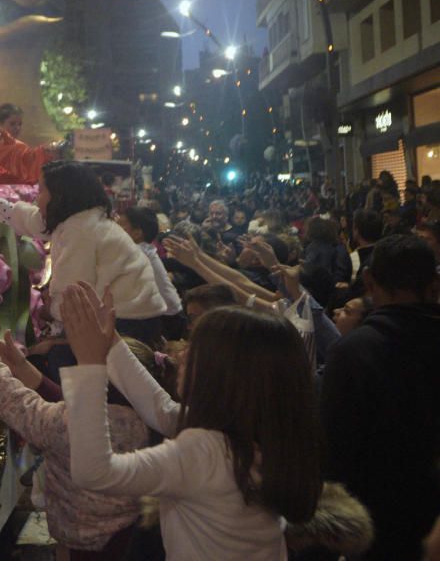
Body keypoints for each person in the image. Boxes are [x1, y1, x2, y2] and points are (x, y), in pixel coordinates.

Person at [62, 282, 321, 560]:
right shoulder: (256, 431)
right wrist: (110, 342)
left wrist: (90, 365)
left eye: (195, 348)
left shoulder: (207, 451)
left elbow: (95, 472)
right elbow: (163, 411)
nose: (181, 353)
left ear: (225, 374)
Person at [0, 302, 150, 560]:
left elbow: (10, 398)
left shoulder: (69, 425)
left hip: (81, 544)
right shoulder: (146, 421)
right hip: (128, 538)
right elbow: (61, 401)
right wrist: (21, 366)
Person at [321, 234, 440, 560]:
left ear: (370, 281)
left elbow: (336, 451)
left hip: (380, 522)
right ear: (433, 283)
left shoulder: (351, 353)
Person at [0, 160, 166, 346]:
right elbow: (33, 221)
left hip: (128, 322)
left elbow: (72, 292)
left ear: (60, 195)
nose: (37, 200)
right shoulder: (78, 219)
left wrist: (49, 314)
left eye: (41, 191)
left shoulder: (81, 231)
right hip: (126, 315)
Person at [116, 206, 183, 339]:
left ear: (136, 233)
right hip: (164, 314)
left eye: (120, 227)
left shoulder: (137, 253)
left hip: (166, 319)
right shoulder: (141, 249)